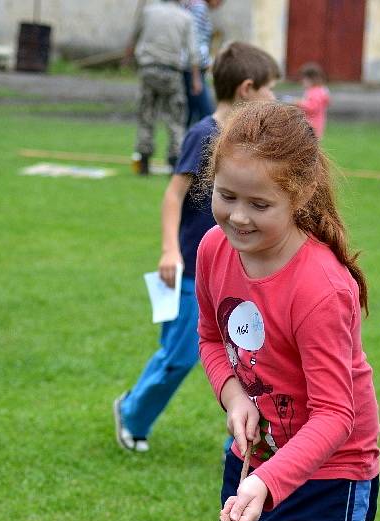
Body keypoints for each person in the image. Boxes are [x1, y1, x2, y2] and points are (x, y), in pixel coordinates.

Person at [195, 100, 380, 521]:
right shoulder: (215, 249)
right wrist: (233, 393)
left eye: (259, 205)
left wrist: (270, 484)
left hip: (327, 490)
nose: (238, 217)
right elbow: (212, 337)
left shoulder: (320, 287)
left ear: (299, 195)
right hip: (252, 475)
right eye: (226, 196)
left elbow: (338, 415)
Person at [114, 42, 279, 452]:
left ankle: (246, 444)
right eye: (270, 88)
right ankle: (132, 412)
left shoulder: (247, 142)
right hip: (190, 270)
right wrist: (170, 251)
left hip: (236, 274)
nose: (275, 97)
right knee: (181, 355)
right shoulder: (204, 135)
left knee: (248, 362)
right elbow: (173, 196)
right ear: (246, 89)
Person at [125, 0, 201, 175]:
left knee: (146, 115)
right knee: (175, 119)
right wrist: (196, 79)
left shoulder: (148, 11)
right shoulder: (185, 17)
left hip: (148, 69)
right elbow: (193, 51)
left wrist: (128, 58)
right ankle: (175, 161)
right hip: (171, 73)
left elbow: (134, 36)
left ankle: (143, 159)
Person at [182, 0, 224, 127]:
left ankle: (186, 145)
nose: (220, 4)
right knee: (206, 113)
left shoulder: (193, 5)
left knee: (190, 114)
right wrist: (202, 66)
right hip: (192, 68)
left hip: (191, 66)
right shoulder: (199, 8)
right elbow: (194, 40)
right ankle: (211, 146)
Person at [295, 61, 330, 139]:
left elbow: (313, 107)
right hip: (319, 123)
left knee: (308, 144)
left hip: (311, 124)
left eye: (303, 79)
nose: (302, 82)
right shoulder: (322, 90)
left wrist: (299, 103)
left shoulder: (314, 92)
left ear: (311, 79)